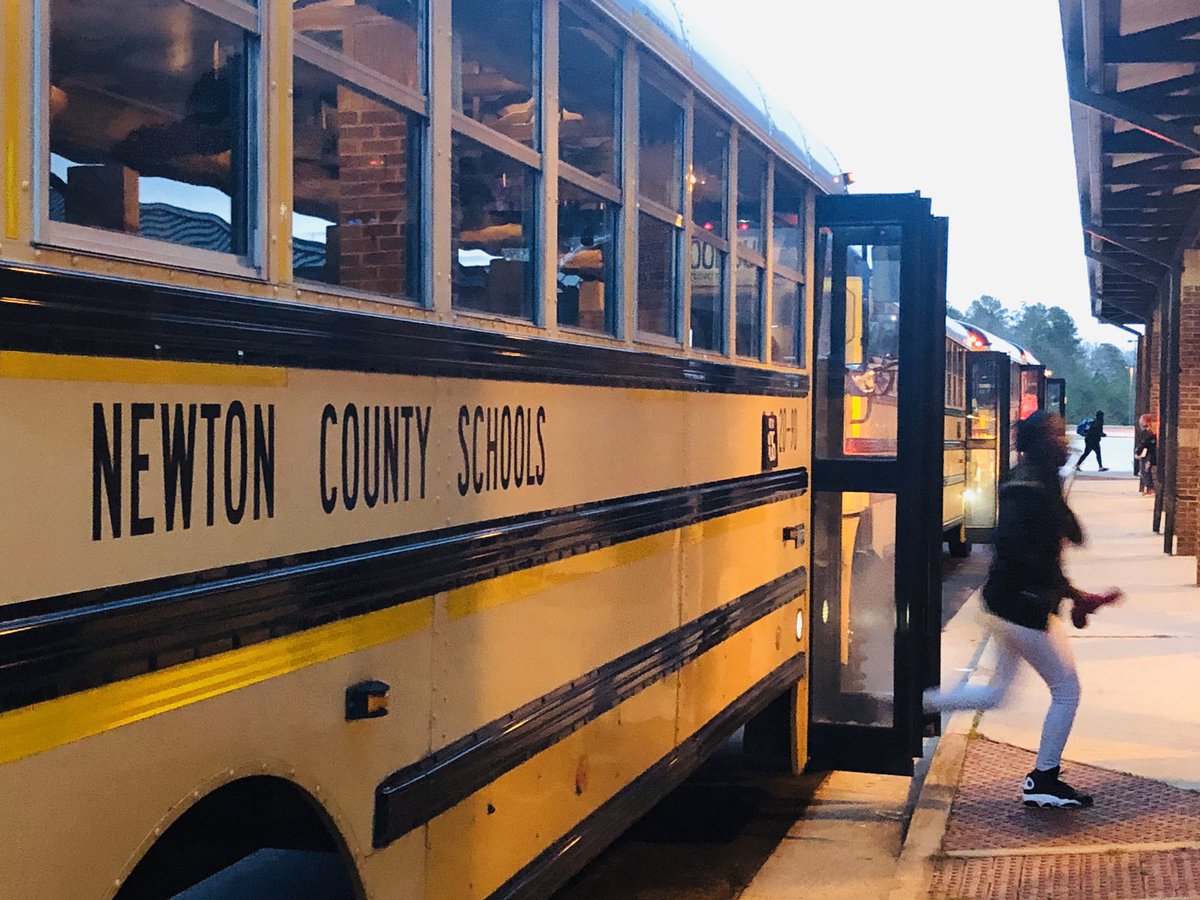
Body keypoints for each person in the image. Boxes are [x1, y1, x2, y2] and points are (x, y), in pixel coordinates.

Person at [924, 411, 1122, 808]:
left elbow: (1061, 538)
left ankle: (917, 704)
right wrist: (1071, 593)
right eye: (1058, 435)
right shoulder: (1036, 486)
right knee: (1066, 691)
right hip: (1022, 607)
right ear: (1043, 443)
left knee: (999, 693)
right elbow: (1027, 550)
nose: (1066, 441)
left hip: (1003, 603)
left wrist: (1072, 592)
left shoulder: (1027, 478)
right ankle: (1043, 779)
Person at [1136, 417, 1157, 495]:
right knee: (1146, 471)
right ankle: (1148, 488)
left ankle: (1150, 488)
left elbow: (1143, 443)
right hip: (1150, 454)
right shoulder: (1150, 433)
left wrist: (1138, 452)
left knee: (1146, 471)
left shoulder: (1147, 433)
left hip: (1148, 454)